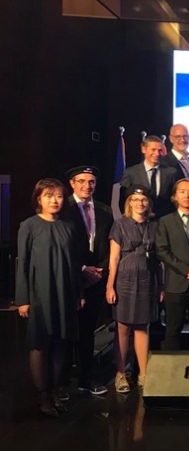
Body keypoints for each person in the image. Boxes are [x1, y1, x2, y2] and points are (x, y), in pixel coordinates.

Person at [16, 178, 83, 416]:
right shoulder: (29, 226)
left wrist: (78, 293)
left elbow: (74, 264)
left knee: (61, 342)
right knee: (40, 343)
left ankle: (55, 391)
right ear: (39, 199)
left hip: (64, 292)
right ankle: (42, 395)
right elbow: (23, 263)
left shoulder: (69, 226)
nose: (54, 200)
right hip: (39, 294)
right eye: (48, 195)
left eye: (59, 196)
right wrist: (23, 299)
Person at [62, 165, 113, 397]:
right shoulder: (63, 208)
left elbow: (109, 244)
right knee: (66, 332)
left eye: (91, 181)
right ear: (72, 183)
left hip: (96, 279)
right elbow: (63, 247)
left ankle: (86, 379)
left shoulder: (104, 210)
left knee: (87, 331)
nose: (87, 185)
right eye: (81, 181)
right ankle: (62, 382)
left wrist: (100, 271)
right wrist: (82, 269)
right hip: (70, 277)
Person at [105, 186, 162, 394]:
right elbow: (114, 258)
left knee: (142, 326)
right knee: (123, 327)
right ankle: (120, 373)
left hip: (147, 278)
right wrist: (110, 285)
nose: (140, 203)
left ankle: (143, 374)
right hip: (125, 278)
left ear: (149, 203)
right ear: (129, 202)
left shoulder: (155, 225)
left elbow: (159, 259)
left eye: (143, 200)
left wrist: (161, 285)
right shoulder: (119, 224)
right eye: (135, 199)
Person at [156, 179, 189, 351]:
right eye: (182, 191)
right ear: (174, 196)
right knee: (173, 329)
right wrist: (185, 269)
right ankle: (172, 367)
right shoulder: (165, 221)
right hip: (175, 283)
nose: (187, 195)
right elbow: (162, 250)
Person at [120, 135, 178, 217]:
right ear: (143, 149)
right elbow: (123, 200)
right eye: (153, 150)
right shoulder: (131, 172)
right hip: (139, 220)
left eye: (160, 150)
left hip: (164, 220)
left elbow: (174, 198)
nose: (157, 154)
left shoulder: (171, 172)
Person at [163, 123, 189, 193]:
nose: (183, 140)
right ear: (171, 139)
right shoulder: (164, 162)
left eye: (185, 136)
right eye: (178, 136)